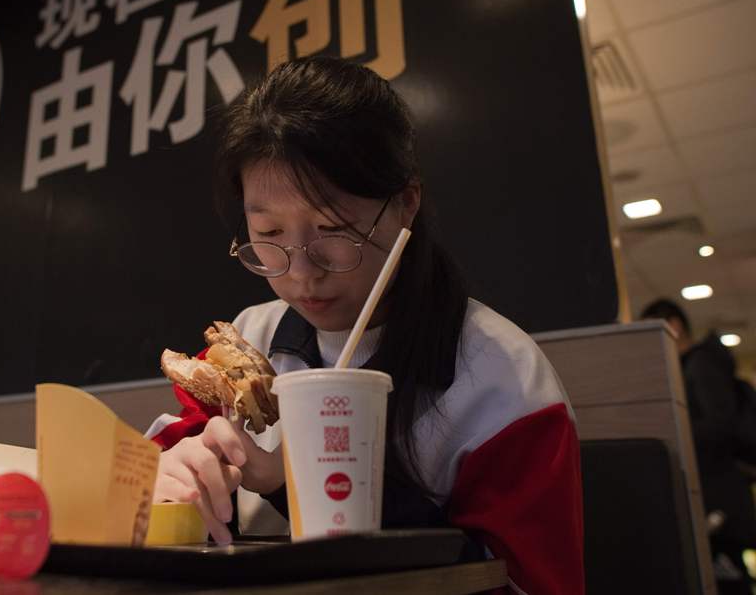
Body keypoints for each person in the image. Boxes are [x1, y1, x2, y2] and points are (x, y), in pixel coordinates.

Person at [146, 57, 584, 594]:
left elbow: (528, 583)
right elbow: (166, 470)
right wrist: (173, 482)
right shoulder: (249, 342)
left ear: (405, 204)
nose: (302, 273)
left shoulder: (502, 378)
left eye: (334, 229)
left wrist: (298, 482)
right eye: (269, 231)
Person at [641, 298, 756, 594]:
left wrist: (676, 432)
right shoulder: (696, 365)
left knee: (727, 581)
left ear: (674, 326)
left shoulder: (701, 363)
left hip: (719, 498)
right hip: (720, 493)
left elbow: (720, 422)